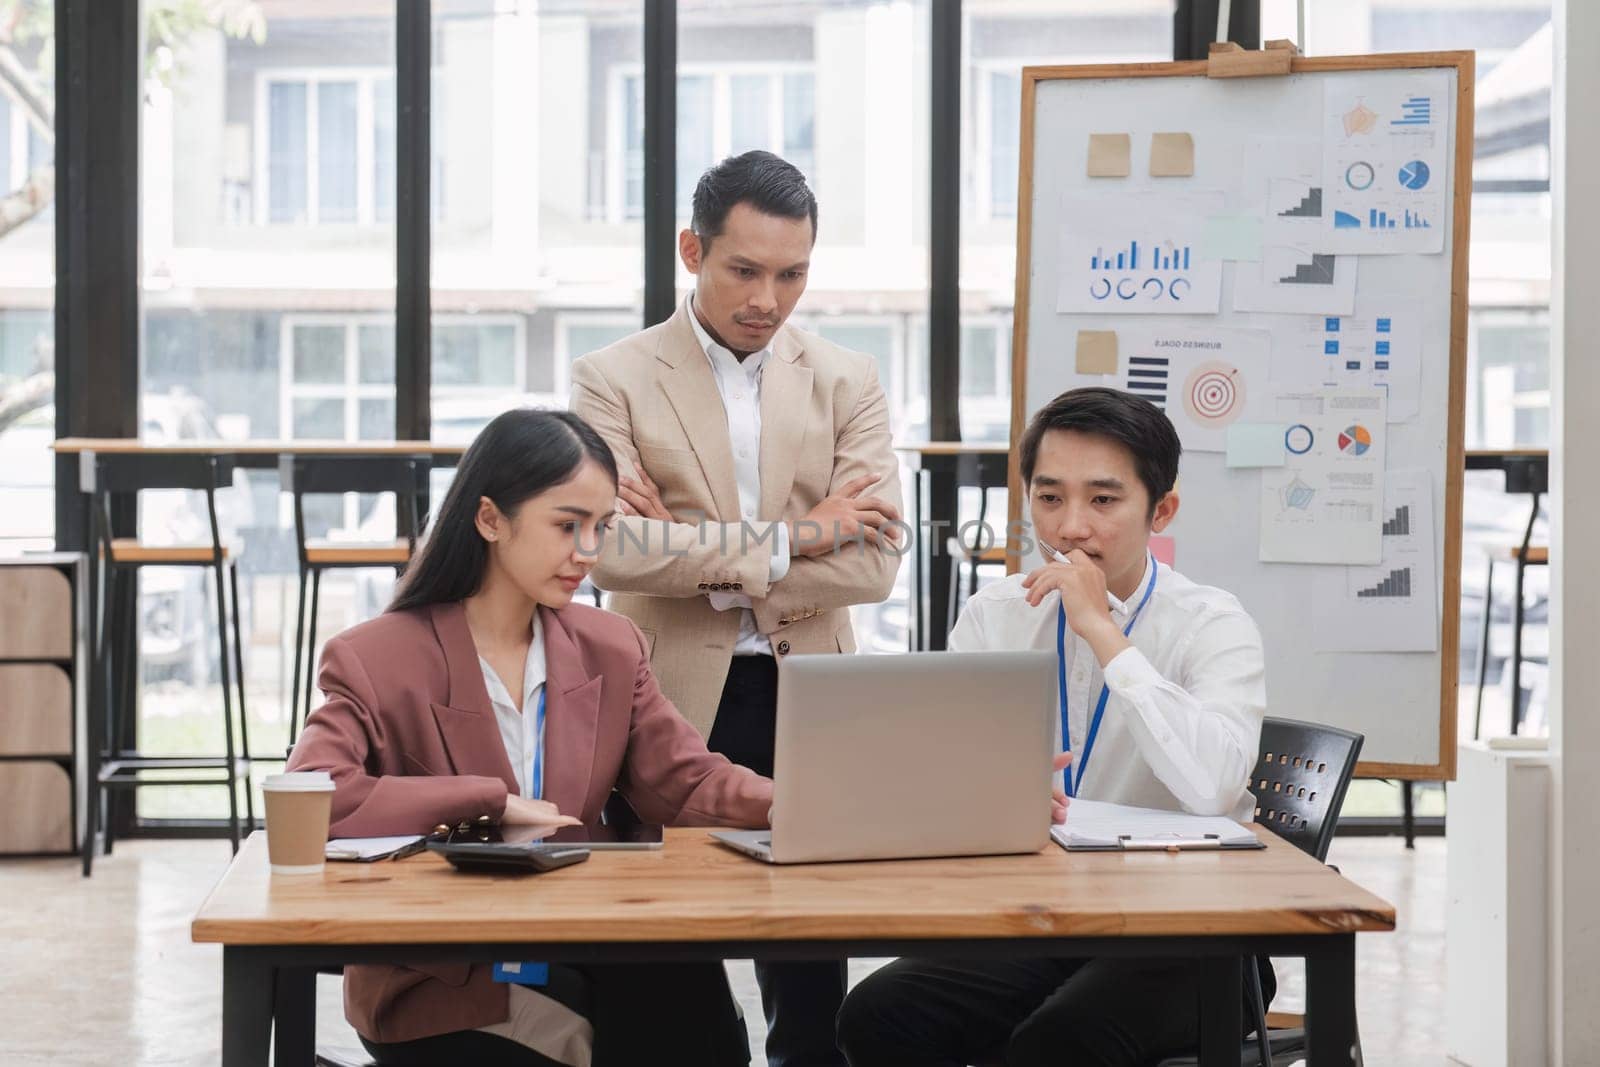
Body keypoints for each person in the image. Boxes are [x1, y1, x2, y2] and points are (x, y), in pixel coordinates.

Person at [287, 409, 770, 1067]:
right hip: (445, 970)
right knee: (592, 1041)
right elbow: (318, 797)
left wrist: (797, 799)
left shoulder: (610, 645)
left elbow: (688, 780)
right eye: (567, 525)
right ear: (490, 519)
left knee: (695, 1003)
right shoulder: (374, 657)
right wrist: (484, 800)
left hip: (579, 938)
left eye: (601, 527)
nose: (588, 551)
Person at [570, 150, 902, 1067]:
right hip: (664, 690)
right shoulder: (612, 377)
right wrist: (800, 536)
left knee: (810, 966)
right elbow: (607, 548)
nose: (768, 297)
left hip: (811, 691)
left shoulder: (848, 378)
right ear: (692, 250)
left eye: (791, 274)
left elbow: (876, 562)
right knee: (672, 943)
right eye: (744, 270)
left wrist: (695, 550)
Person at [835, 386, 1274, 1067]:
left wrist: (1103, 632)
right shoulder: (998, 614)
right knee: (878, 1014)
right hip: (1044, 919)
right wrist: (985, 797)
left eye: (1103, 500)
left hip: (1196, 934)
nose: (1070, 527)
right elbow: (947, 774)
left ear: (1161, 510)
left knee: (1062, 1040)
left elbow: (1213, 786)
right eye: (1048, 498)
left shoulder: (1212, 623)